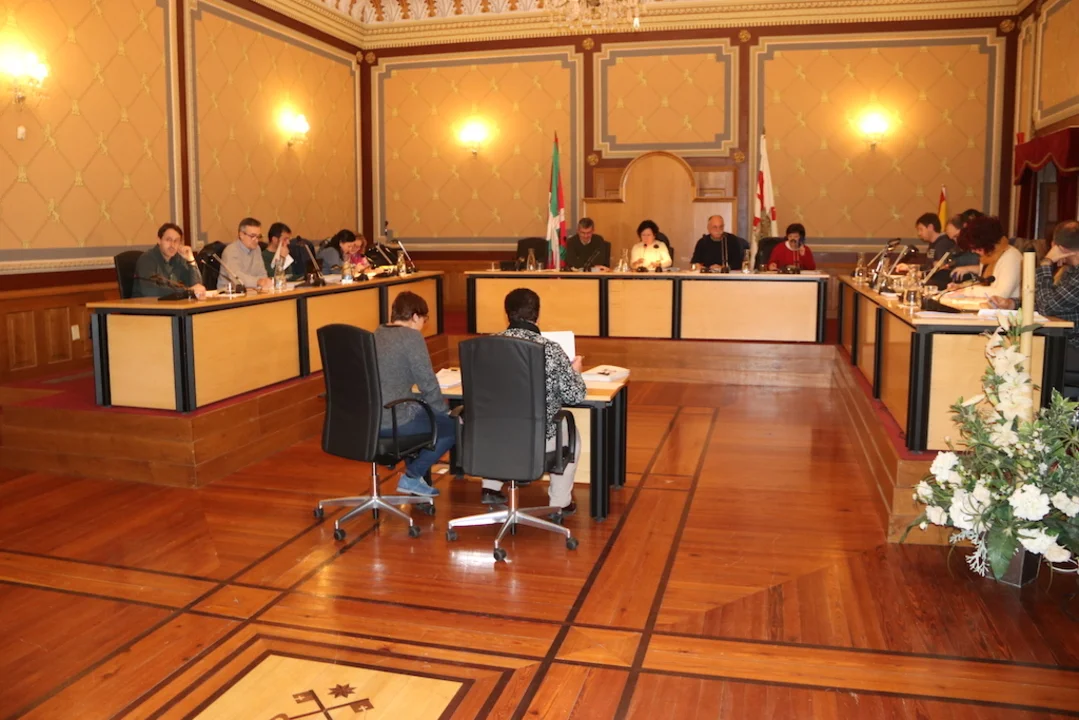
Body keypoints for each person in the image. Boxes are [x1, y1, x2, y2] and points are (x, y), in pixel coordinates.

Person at [480, 288, 585, 514]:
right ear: (537, 313)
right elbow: (574, 396)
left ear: (507, 313)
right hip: (537, 440)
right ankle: (559, 502)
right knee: (571, 434)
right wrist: (575, 372)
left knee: (497, 418)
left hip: (492, 439)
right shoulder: (551, 349)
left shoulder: (484, 346)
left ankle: (490, 487)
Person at [374, 292, 454, 497]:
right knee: (453, 427)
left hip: (369, 421)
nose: (423, 326)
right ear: (415, 316)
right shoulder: (411, 337)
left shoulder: (376, 333)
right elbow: (427, 382)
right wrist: (444, 411)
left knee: (422, 410)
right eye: (424, 320)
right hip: (394, 420)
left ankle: (415, 478)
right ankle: (412, 476)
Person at [990, 222, 1079, 383]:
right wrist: (1012, 304)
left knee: (1015, 354)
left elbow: (1047, 307)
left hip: (1072, 345)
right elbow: (1049, 301)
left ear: (1058, 247)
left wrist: (1045, 263)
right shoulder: (1072, 270)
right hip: (1063, 341)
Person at [945, 215, 1020, 299]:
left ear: (986, 243)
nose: (973, 251)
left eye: (975, 248)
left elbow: (1001, 294)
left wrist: (967, 291)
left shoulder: (1011, 257)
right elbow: (982, 285)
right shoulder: (987, 257)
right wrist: (960, 287)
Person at [132, 223, 206, 298]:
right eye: (168, 240)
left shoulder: (178, 259)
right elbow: (150, 291)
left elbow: (197, 287)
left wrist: (191, 261)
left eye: (176, 241)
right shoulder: (147, 259)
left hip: (173, 304)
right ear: (159, 240)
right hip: (145, 304)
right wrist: (185, 291)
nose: (172, 245)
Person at [218, 217, 273, 291]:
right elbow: (236, 278)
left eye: (258, 236)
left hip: (252, 292)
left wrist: (263, 282)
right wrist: (258, 282)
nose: (256, 240)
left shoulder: (257, 249)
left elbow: (262, 274)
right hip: (229, 293)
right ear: (241, 235)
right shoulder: (230, 251)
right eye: (252, 236)